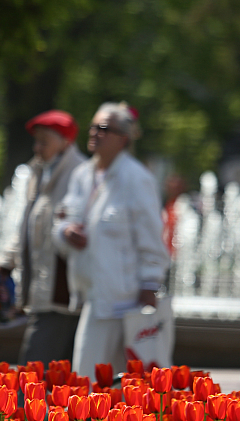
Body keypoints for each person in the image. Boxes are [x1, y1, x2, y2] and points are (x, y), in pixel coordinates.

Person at [53, 102, 170, 378]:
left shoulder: (136, 178)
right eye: (93, 127)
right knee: (94, 377)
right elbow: (63, 219)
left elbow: (153, 238)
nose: (95, 133)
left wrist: (150, 285)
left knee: (113, 380)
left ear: (124, 138)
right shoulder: (82, 175)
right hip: (94, 295)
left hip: (128, 299)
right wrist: (66, 231)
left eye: (104, 128)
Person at [0, 110, 87, 365]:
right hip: (44, 288)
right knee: (53, 370)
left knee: (36, 366)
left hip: (63, 289)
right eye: (36, 141)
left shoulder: (81, 174)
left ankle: (28, 407)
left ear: (65, 141)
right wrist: (8, 261)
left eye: (44, 141)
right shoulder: (39, 171)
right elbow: (29, 223)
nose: (37, 147)